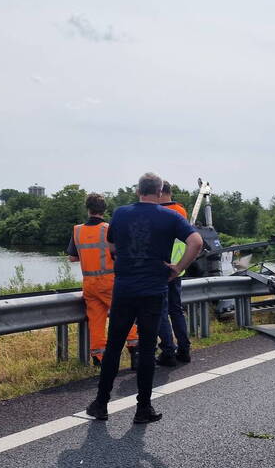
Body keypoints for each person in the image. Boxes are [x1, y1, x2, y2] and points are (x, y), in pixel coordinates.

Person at [85, 172, 204, 424]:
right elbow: (196, 242)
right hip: (153, 291)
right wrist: (177, 268)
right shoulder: (171, 216)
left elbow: (112, 246)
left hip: (124, 289)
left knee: (113, 346)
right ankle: (143, 409)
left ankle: (101, 404)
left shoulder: (120, 214)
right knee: (148, 349)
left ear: (138, 190)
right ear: (160, 192)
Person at [67, 193, 139, 368]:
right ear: (104, 209)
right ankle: (135, 350)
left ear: (88, 209)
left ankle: (99, 357)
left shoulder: (77, 230)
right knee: (125, 315)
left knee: (96, 320)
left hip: (89, 284)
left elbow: (72, 257)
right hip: (110, 282)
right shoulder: (109, 229)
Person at [155, 179, 191, 367]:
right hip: (178, 267)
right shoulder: (181, 211)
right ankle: (184, 349)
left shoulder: (158, 212)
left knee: (161, 311)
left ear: (159, 192)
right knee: (176, 309)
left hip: (161, 268)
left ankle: (168, 351)